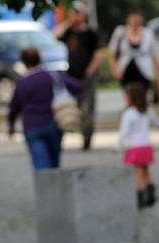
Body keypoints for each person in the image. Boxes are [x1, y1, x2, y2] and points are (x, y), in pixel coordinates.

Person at [7, 48, 81, 170]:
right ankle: (54, 186)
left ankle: (46, 187)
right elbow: (77, 87)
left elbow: (14, 107)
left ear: (24, 62)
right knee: (54, 163)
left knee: (41, 165)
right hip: (53, 123)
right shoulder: (52, 76)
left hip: (31, 126)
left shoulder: (21, 83)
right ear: (39, 59)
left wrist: (11, 125)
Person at [54, 0, 104, 150]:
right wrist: (69, 22)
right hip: (71, 75)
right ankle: (62, 136)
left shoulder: (90, 33)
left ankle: (87, 138)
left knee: (88, 108)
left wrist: (91, 69)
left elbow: (99, 53)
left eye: (78, 13)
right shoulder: (68, 31)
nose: (76, 16)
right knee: (68, 106)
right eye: (74, 13)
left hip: (88, 75)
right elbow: (55, 34)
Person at [119, 83, 159, 209]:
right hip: (146, 145)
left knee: (137, 173)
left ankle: (139, 196)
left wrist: (118, 145)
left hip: (134, 146)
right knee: (145, 170)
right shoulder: (147, 111)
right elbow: (158, 123)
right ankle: (151, 192)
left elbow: (123, 132)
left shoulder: (129, 113)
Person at [108, 12, 157, 98]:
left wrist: (155, 72)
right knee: (129, 95)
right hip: (126, 69)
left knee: (142, 95)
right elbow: (112, 52)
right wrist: (114, 69)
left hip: (144, 71)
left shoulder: (147, 33)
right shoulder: (120, 32)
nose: (135, 21)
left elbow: (154, 54)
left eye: (137, 19)